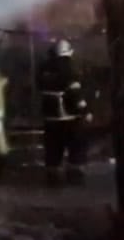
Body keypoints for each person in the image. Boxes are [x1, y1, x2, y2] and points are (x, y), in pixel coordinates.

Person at [38, 38, 90, 186]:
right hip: (69, 115)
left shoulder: (44, 67)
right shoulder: (70, 68)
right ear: (70, 51)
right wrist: (85, 111)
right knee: (76, 145)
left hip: (49, 115)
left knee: (53, 146)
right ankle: (74, 174)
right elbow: (75, 93)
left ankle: (53, 175)